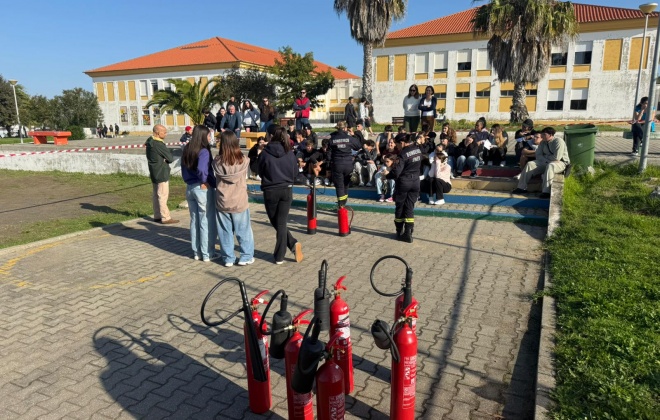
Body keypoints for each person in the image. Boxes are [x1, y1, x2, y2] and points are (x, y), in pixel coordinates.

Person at [258, 127, 304, 264]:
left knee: (277, 221)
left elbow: (259, 170)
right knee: (281, 222)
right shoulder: (290, 153)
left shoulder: (265, 153)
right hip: (286, 189)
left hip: (270, 190)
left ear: (271, 136)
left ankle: (279, 255)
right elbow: (295, 173)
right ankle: (292, 244)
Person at [213, 131, 255, 267]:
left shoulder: (217, 161)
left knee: (225, 232)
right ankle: (246, 256)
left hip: (222, 201)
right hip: (239, 201)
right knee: (243, 230)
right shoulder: (244, 160)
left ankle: (228, 258)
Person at [181, 125, 217, 261]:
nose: (210, 138)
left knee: (195, 221)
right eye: (208, 135)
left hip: (190, 187)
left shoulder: (187, 148)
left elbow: (183, 167)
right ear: (203, 136)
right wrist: (204, 180)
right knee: (206, 221)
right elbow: (202, 169)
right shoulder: (203, 151)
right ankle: (207, 252)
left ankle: (197, 252)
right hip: (201, 188)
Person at [512, 127, 569, 199]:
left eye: (544, 134)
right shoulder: (543, 142)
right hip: (546, 162)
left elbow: (556, 158)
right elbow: (538, 155)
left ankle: (546, 192)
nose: (542, 136)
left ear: (550, 135)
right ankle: (521, 188)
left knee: (550, 166)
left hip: (561, 163)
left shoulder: (558, 141)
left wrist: (545, 157)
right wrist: (546, 158)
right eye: (542, 134)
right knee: (530, 164)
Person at [387, 134, 422, 243]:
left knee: (400, 207)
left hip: (404, 182)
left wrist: (387, 175)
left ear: (402, 142)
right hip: (415, 182)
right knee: (410, 207)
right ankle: (408, 233)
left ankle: (399, 232)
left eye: (397, 144)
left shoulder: (403, 154)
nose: (397, 147)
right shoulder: (417, 150)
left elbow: (397, 172)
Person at [145, 124, 178, 224]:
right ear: (158, 133)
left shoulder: (149, 142)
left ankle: (157, 215)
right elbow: (170, 158)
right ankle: (165, 217)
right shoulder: (158, 144)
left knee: (156, 195)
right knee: (162, 195)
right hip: (161, 171)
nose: (166, 134)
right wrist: (165, 159)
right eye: (164, 132)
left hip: (154, 171)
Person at [328, 121, 363, 207]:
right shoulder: (349, 138)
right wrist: (353, 135)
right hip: (348, 165)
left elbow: (329, 154)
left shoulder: (332, 139)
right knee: (346, 185)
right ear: (345, 128)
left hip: (337, 164)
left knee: (339, 186)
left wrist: (329, 166)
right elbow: (358, 146)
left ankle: (341, 205)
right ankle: (344, 203)